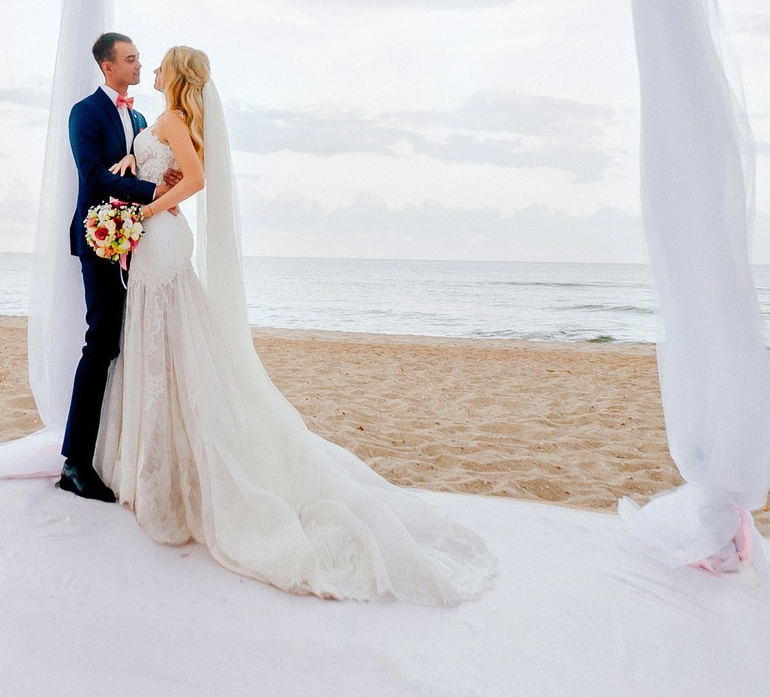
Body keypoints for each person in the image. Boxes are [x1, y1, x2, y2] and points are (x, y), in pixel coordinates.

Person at [88, 45, 497, 605]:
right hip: (153, 241)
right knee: (159, 345)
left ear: (176, 76)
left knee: (168, 344)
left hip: (160, 239)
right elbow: (164, 167)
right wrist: (136, 168)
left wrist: (147, 210)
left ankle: (174, 480)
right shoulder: (157, 119)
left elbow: (196, 179)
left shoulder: (174, 118)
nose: (152, 69)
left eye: (159, 64)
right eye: (143, 61)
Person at [56, 32, 170, 503]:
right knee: (100, 342)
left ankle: (111, 450)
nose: (139, 63)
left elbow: (139, 168)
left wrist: (167, 181)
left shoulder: (141, 116)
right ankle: (75, 463)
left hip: (138, 239)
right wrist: (152, 194)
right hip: (99, 238)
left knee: (128, 342)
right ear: (108, 66)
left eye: (139, 57)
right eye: (130, 58)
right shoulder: (85, 112)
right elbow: (94, 175)